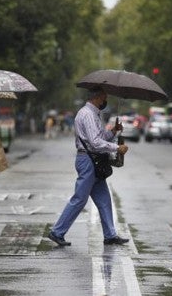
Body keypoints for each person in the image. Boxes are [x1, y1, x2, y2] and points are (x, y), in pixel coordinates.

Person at [47, 87, 129, 246]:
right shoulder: (87, 114)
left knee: (104, 199)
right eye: (104, 97)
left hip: (94, 160)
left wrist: (113, 131)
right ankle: (57, 232)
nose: (106, 101)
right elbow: (95, 142)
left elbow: (100, 137)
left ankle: (110, 235)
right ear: (97, 97)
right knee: (79, 199)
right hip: (88, 160)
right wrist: (116, 148)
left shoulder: (94, 114)